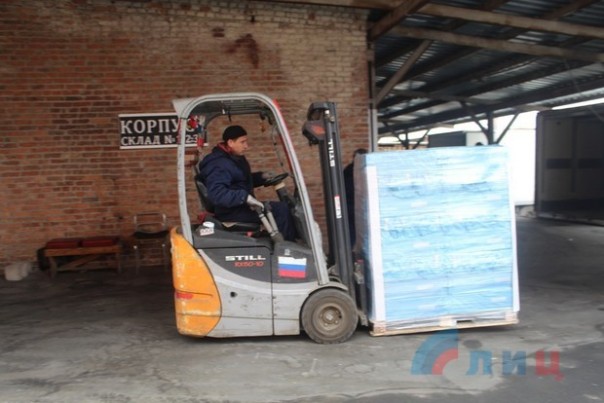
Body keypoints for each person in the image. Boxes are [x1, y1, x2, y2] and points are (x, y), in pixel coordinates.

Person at [197, 125, 297, 241]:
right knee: (281, 210)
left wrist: (262, 177)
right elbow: (218, 194)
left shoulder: (233, 158)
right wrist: (245, 197)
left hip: (240, 207)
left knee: (282, 208)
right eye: (242, 142)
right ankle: (287, 246)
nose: (246, 146)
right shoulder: (218, 164)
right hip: (231, 212)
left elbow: (240, 180)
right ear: (230, 142)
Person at [343, 148, 368, 247]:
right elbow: (351, 189)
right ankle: (351, 249)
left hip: (356, 205)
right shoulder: (351, 171)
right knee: (353, 230)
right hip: (353, 205)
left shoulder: (361, 169)